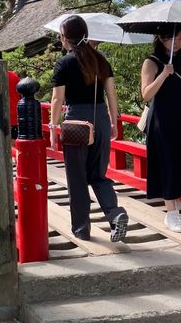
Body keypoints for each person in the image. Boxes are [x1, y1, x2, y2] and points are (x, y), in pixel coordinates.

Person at [49, 15, 128, 242]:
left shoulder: (65, 62)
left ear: (65, 37)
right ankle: (115, 214)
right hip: (101, 118)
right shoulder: (101, 59)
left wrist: (54, 127)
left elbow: (57, 98)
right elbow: (111, 93)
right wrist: (113, 122)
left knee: (77, 179)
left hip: (76, 122)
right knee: (98, 175)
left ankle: (82, 229)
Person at [140, 30, 181, 231]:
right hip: (162, 120)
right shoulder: (152, 62)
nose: (179, 42)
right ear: (163, 38)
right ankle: (171, 212)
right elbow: (146, 94)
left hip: (180, 116)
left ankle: (178, 208)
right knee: (168, 163)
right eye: (176, 38)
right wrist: (164, 73)